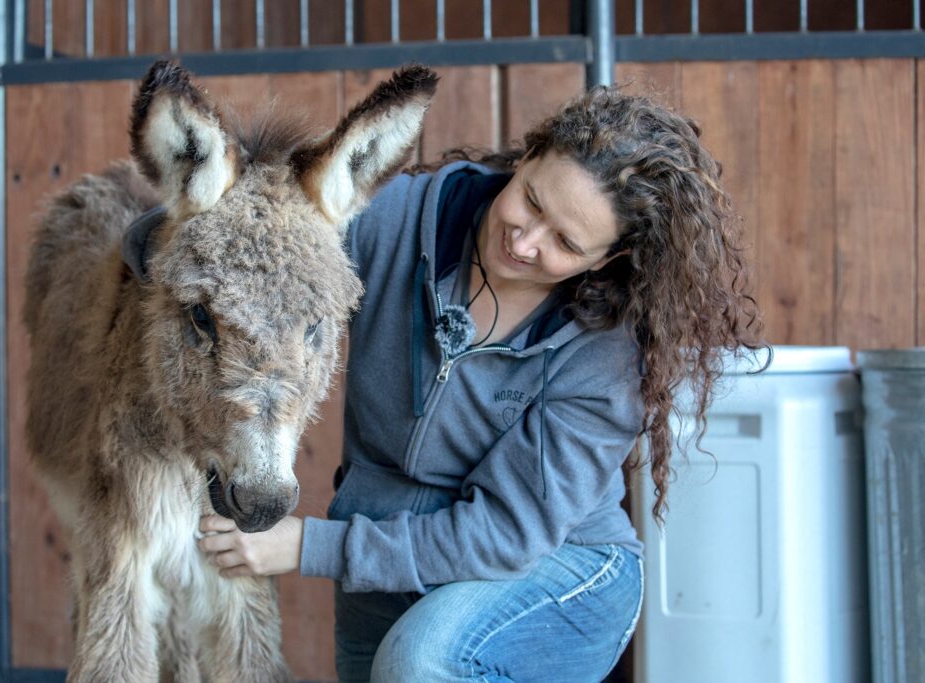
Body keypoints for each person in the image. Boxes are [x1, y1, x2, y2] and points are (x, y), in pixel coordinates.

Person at [197, 85, 764, 682]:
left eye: (565, 242)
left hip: (554, 566)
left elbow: (503, 534)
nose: (524, 242)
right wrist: (155, 240)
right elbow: (237, 231)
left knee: (420, 663)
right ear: (527, 157)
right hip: (384, 548)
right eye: (531, 201)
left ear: (606, 258)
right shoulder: (394, 220)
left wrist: (310, 546)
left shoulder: (604, 356)